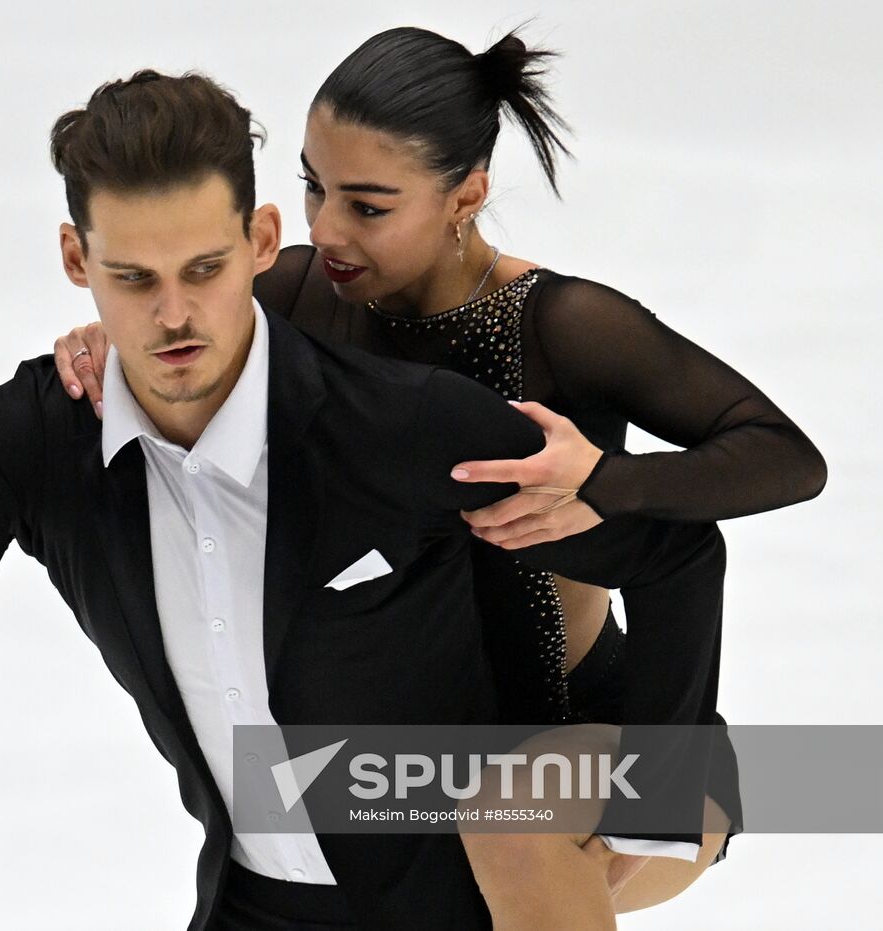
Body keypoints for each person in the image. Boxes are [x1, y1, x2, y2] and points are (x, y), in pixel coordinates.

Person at [0, 70, 732, 930]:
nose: (174, 318)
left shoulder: (404, 427)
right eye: (132, 278)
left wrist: (660, 800)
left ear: (262, 241)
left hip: (481, 882)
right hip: (259, 904)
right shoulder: (32, 443)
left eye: (206, 271)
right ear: (77, 262)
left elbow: (676, 552)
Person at [50, 26, 827, 923]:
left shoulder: (560, 325)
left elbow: (784, 455)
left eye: (369, 206)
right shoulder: (299, 300)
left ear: (467, 195)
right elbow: (177, 314)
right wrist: (108, 339)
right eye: (313, 187)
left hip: (613, 738)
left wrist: (605, 478)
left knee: (506, 817)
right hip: (420, 770)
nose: (326, 228)